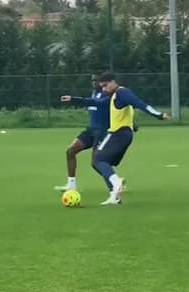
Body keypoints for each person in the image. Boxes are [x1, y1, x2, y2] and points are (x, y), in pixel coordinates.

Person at [65, 72, 170, 205]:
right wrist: (74, 99)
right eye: (101, 86)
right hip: (122, 134)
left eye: (105, 85)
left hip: (118, 134)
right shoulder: (114, 95)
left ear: (113, 82)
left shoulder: (122, 93)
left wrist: (158, 115)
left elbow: (139, 104)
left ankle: (116, 182)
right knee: (101, 162)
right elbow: (97, 102)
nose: (103, 89)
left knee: (98, 159)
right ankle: (114, 196)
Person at [55, 74, 110, 192]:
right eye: (93, 80)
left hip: (102, 132)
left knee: (96, 163)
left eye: (97, 80)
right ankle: (71, 185)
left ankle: (115, 180)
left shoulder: (109, 94)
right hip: (90, 130)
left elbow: (96, 103)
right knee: (70, 151)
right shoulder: (94, 92)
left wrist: (74, 99)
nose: (94, 83)